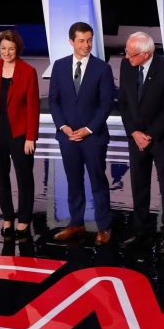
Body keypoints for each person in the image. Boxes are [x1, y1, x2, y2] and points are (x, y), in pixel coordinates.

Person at [49, 22, 114, 245]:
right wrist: (63, 127)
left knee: (98, 181)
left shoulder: (102, 68)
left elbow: (106, 104)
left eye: (89, 40)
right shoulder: (58, 66)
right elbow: (53, 101)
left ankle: (104, 227)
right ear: (71, 42)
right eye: (81, 41)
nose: (86, 45)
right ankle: (76, 223)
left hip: (93, 138)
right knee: (73, 181)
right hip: (67, 137)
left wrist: (87, 129)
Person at [118, 32, 164, 254]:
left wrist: (149, 135)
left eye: (131, 54)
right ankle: (141, 231)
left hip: (162, 138)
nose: (127, 57)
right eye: (126, 52)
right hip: (136, 138)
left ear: (146, 54)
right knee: (139, 185)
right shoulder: (126, 66)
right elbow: (123, 103)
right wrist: (134, 132)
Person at [0, 30, 40, 240]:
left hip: (20, 133)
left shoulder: (28, 71)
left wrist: (31, 137)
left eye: (11, 48)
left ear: (17, 49)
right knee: (1, 177)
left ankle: (24, 220)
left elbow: (33, 107)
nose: (7, 52)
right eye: (3, 48)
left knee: (24, 177)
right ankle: (7, 218)